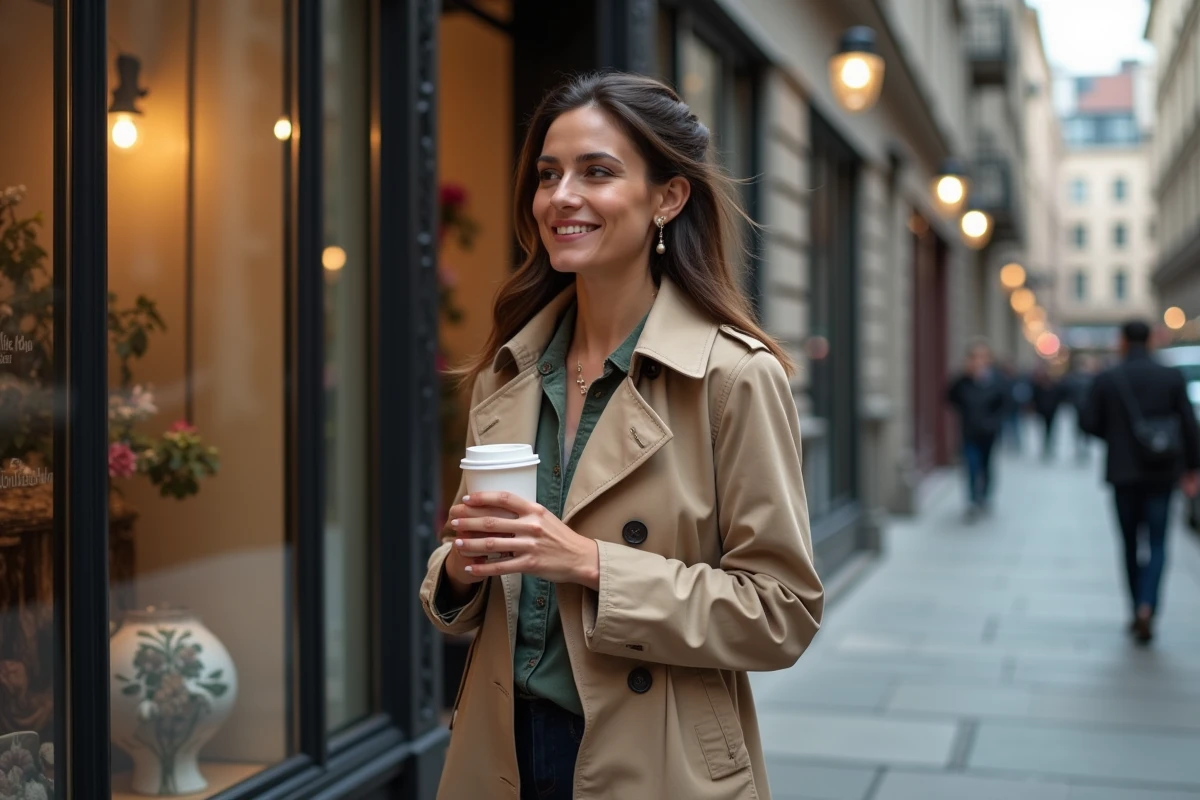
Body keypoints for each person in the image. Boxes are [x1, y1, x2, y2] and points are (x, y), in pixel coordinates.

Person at [418, 72, 823, 800]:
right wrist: (457, 570)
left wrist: (593, 564)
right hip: (499, 750)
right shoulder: (506, 370)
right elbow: (473, 579)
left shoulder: (731, 377)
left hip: (655, 759)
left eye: (596, 172)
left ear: (667, 197)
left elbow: (782, 612)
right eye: (548, 174)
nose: (561, 196)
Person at [1080, 320, 1200, 644]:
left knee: (1130, 543)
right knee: (1159, 542)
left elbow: (1087, 421)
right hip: (1162, 472)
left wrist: (1117, 436)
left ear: (1121, 341)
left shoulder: (1109, 377)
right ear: (1150, 340)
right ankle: (1149, 605)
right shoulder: (1170, 375)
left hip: (1123, 472)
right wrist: (1192, 469)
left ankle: (1135, 607)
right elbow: (1189, 426)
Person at [947, 341, 1009, 519]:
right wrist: (962, 377)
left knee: (986, 466)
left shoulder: (996, 380)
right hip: (969, 432)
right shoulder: (963, 381)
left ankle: (985, 497)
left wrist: (994, 422)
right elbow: (950, 398)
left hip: (989, 434)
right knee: (971, 466)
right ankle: (973, 500)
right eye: (974, 357)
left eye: (982, 357)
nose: (978, 361)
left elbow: (1005, 404)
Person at [1031, 366, 1064, 461]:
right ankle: (1044, 446)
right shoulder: (1038, 386)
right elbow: (1035, 398)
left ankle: (1049, 445)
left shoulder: (1055, 386)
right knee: (1041, 429)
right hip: (1041, 411)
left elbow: (1059, 397)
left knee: (1051, 429)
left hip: (1051, 411)